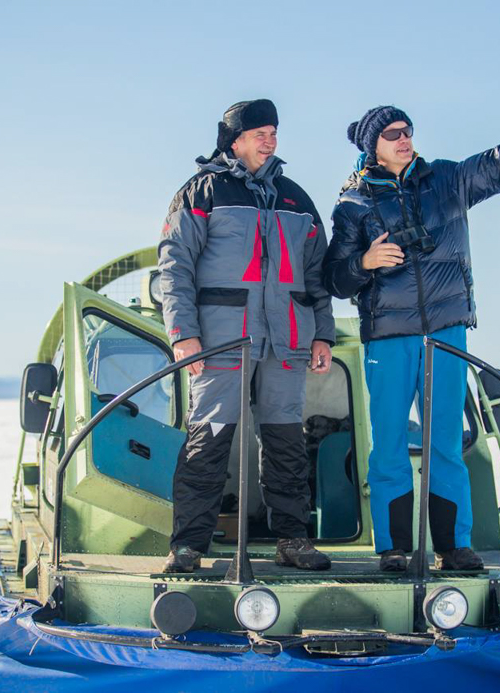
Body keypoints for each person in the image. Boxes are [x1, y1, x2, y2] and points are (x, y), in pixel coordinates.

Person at [323, 106, 500, 571]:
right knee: (387, 445)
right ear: (372, 146)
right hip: (387, 336)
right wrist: (364, 262)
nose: (404, 139)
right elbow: (335, 280)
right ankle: (394, 548)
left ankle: (453, 545)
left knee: (446, 441)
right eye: (392, 134)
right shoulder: (353, 204)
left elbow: (498, 163)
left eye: (407, 131)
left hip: (445, 332)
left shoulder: (445, 180)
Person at [158, 99, 336, 573]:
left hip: (287, 341)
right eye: (260, 133)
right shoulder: (202, 192)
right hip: (222, 339)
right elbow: (175, 266)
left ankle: (293, 541)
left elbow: (317, 275)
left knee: (286, 441)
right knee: (210, 438)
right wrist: (182, 333)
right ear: (233, 140)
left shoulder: (297, 199)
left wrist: (323, 334)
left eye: (274, 132)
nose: (270, 140)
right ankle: (189, 546)